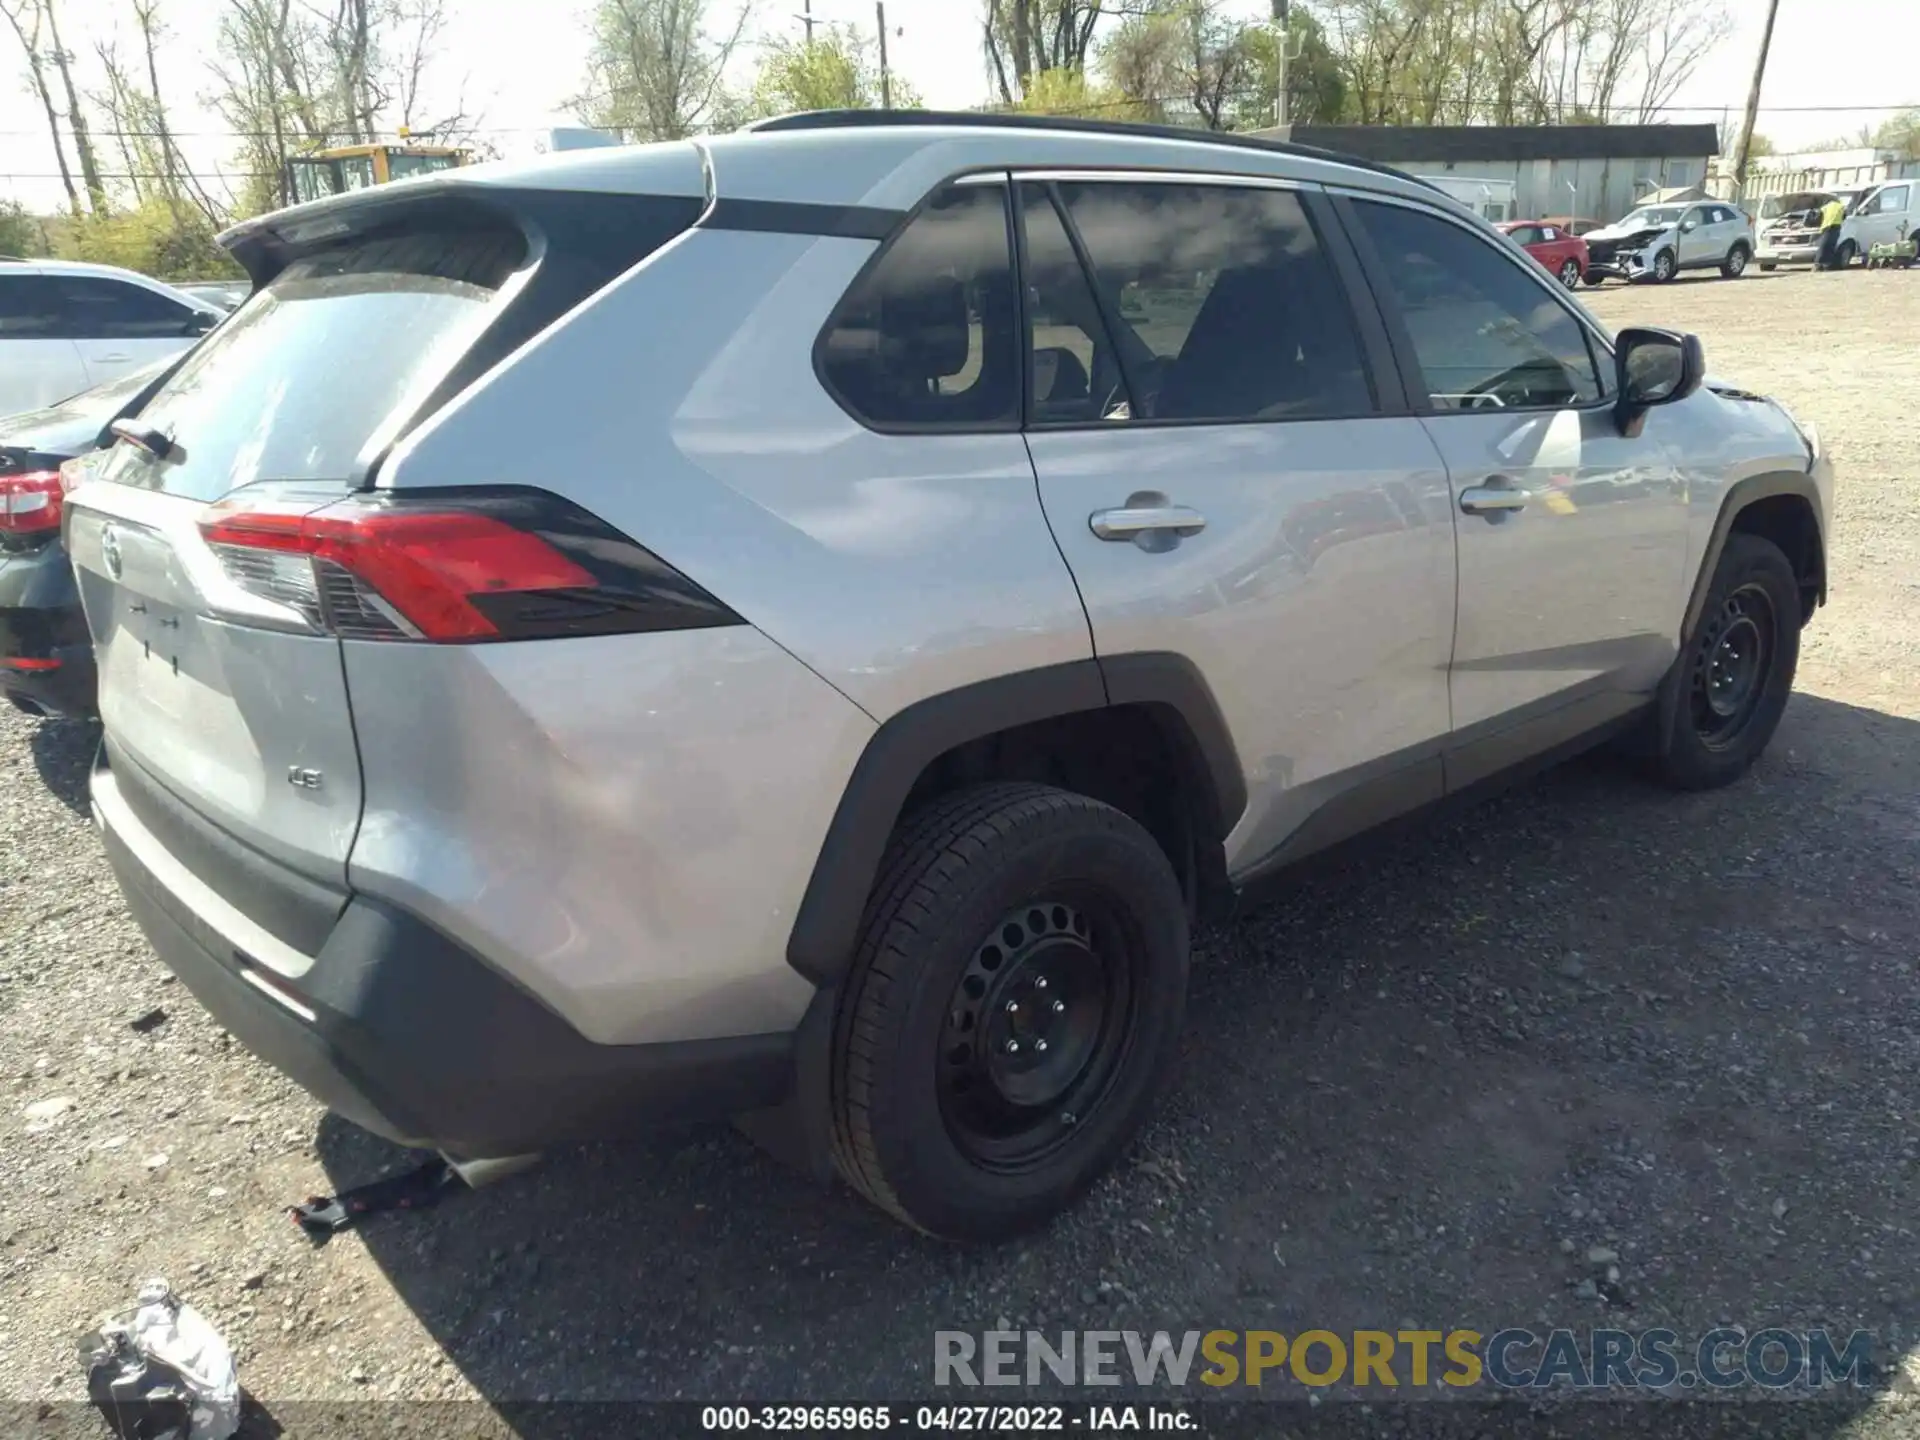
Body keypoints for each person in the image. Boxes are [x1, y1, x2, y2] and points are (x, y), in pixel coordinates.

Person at [1816, 195, 1848, 270]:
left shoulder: (1825, 207)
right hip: (1836, 228)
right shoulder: (1841, 207)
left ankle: (1818, 264)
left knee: (1823, 246)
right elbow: (1844, 217)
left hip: (1825, 228)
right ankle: (1827, 265)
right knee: (1831, 246)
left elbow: (1818, 218)